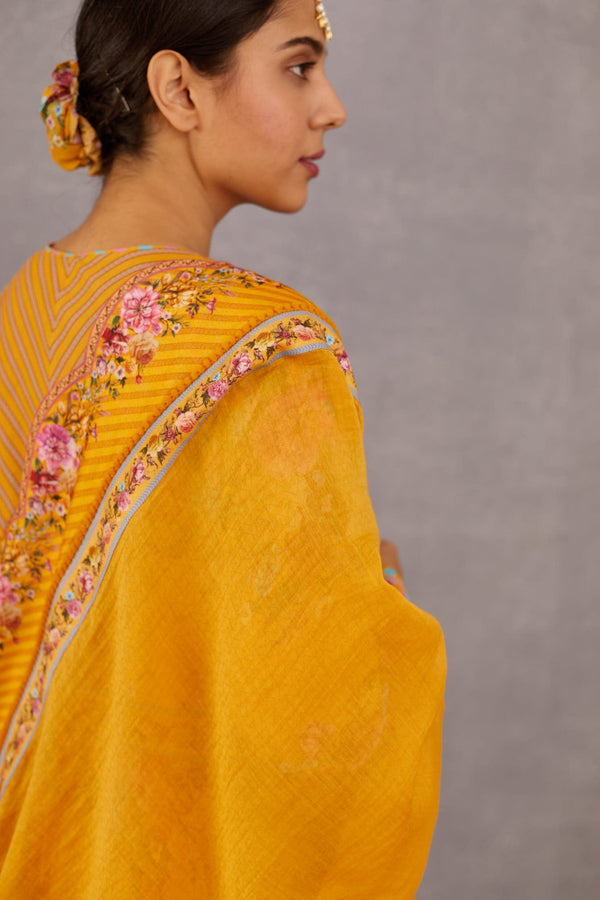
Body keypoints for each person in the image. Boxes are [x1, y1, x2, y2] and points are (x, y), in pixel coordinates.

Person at [0, 0, 446, 896]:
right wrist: (378, 583)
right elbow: (318, 714)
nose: (332, 108)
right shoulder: (265, 346)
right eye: (298, 67)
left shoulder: (27, 302)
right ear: (179, 90)